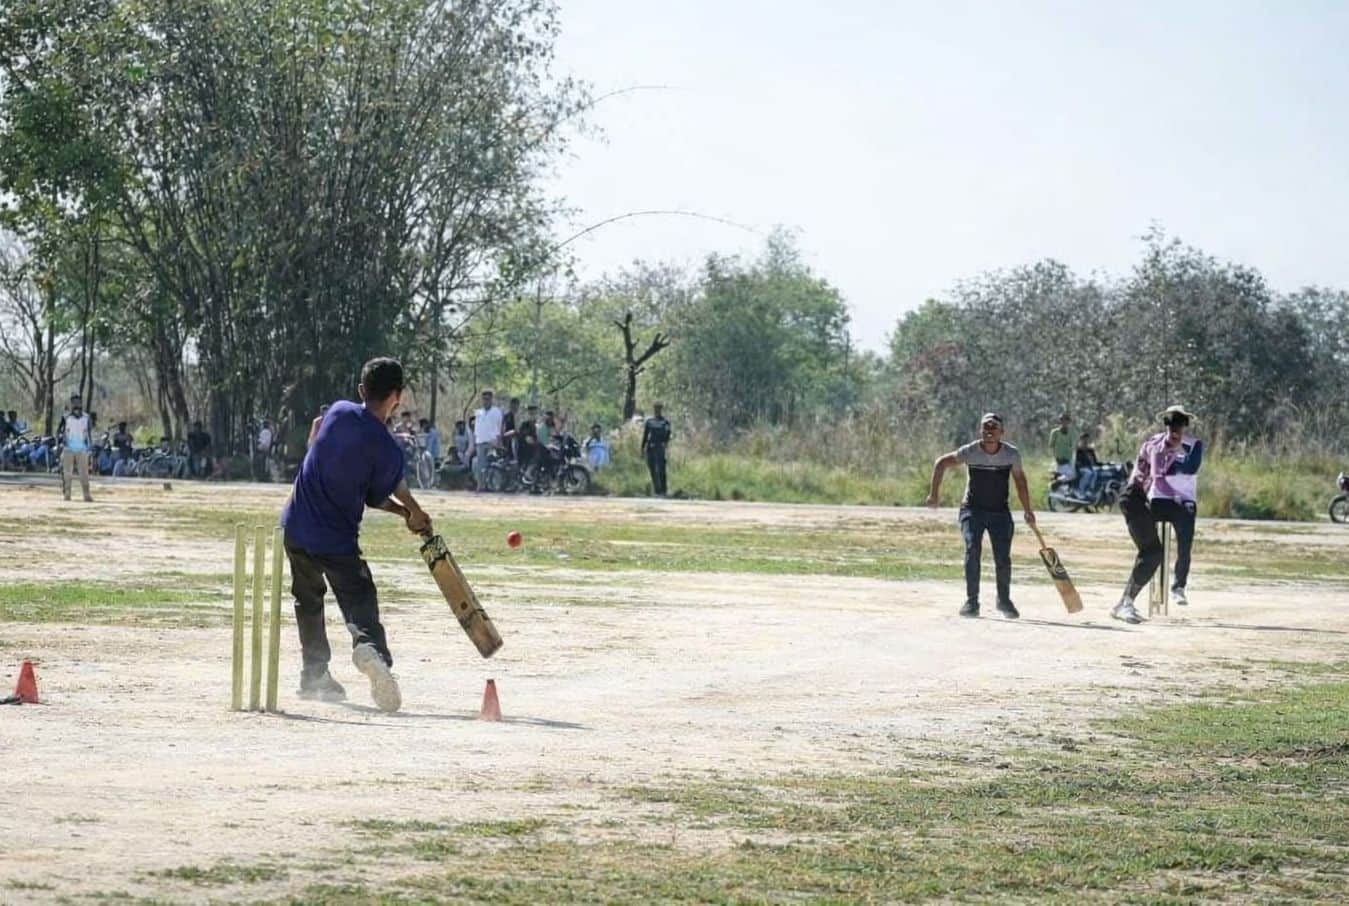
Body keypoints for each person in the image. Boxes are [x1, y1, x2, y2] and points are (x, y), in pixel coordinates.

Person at [280, 357, 431, 712]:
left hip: (295, 525)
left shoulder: (338, 411)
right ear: (397, 397)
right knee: (359, 597)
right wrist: (410, 511)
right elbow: (380, 494)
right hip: (335, 540)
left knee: (308, 601)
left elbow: (318, 430)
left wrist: (406, 511)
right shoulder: (387, 448)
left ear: (362, 390)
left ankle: (315, 675)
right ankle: (369, 649)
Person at [926, 412, 1037, 619]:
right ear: (980, 430)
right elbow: (941, 463)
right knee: (972, 549)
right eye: (986, 427)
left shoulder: (1011, 454)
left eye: (994, 428)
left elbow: (1020, 481)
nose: (989, 432)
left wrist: (1028, 510)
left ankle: (1004, 600)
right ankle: (972, 601)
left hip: (1000, 512)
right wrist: (934, 494)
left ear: (1002, 432)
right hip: (972, 510)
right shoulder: (971, 451)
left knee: (1002, 557)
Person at [1111, 406, 1204, 624]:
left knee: (1151, 552)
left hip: (1138, 500)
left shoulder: (1166, 445)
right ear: (1167, 428)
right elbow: (1159, 480)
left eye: (1179, 430)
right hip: (1133, 498)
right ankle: (1125, 604)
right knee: (1152, 553)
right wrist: (1178, 497)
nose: (1176, 435)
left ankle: (1124, 603)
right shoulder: (1159, 448)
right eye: (1172, 430)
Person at [58, 393, 95, 502]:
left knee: (84, 473)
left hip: (82, 448)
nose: (76, 404)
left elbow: (89, 433)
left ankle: (86, 494)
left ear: (81, 403)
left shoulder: (86, 417)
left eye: (78, 402)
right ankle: (67, 494)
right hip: (68, 448)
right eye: (74, 402)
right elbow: (59, 431)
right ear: (71, 404)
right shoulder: (65, 417)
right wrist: (59, 445)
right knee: (67, 473)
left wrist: (90, 446)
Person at [472, 390, 503, 490]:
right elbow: (476, 429)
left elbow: (499, 427)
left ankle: (491, 485)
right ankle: (480, 485)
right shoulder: (478, 413)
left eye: (488, 399)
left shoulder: (496, 412)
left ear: (491, 399)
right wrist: (474, 442)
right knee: (480, 465)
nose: (486, 401)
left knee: (491, 465)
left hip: (492, 442)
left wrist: (498, 441)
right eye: (484, 399)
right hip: (480, 442)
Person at [641, 403, 672, 496]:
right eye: (655, 409)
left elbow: (668, 434)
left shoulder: (665, 422)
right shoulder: (650, 422)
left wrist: (665, 443)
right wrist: (642, 448)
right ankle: (657, 490)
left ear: (661, 410)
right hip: (651, 447)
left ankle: (663, 490)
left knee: (661, 468)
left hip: (660, 447)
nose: (657, 410)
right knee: (652, 469)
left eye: (658, 409)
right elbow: (645, 435)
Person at [1049, 412, 1075, 482]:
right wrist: (1055, 458)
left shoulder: (1071, 432)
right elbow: (1051, 446)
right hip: (1059, 458)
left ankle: (1058, 481)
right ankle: (1056, 481)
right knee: (1065, 474)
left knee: (1072, 475)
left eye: (1066, 420)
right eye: (1063, 420)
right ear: (1060, 421)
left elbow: (1071, 445)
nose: (1064, 422)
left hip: (1068, 458)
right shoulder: (1055, 432)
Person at [1074, 432, 1100, 497]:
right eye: (1084, 439)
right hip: (1080, 468)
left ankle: (1091, 489)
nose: (1085, 441)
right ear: (1081, 440)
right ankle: (1081, 490)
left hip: (1089, 467)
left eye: (1087, 439)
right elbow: (1076, 461)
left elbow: (1095, 461)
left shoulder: (1090, 450)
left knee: (1096, 472)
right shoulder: (1078, 450)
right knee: (1088, 473)